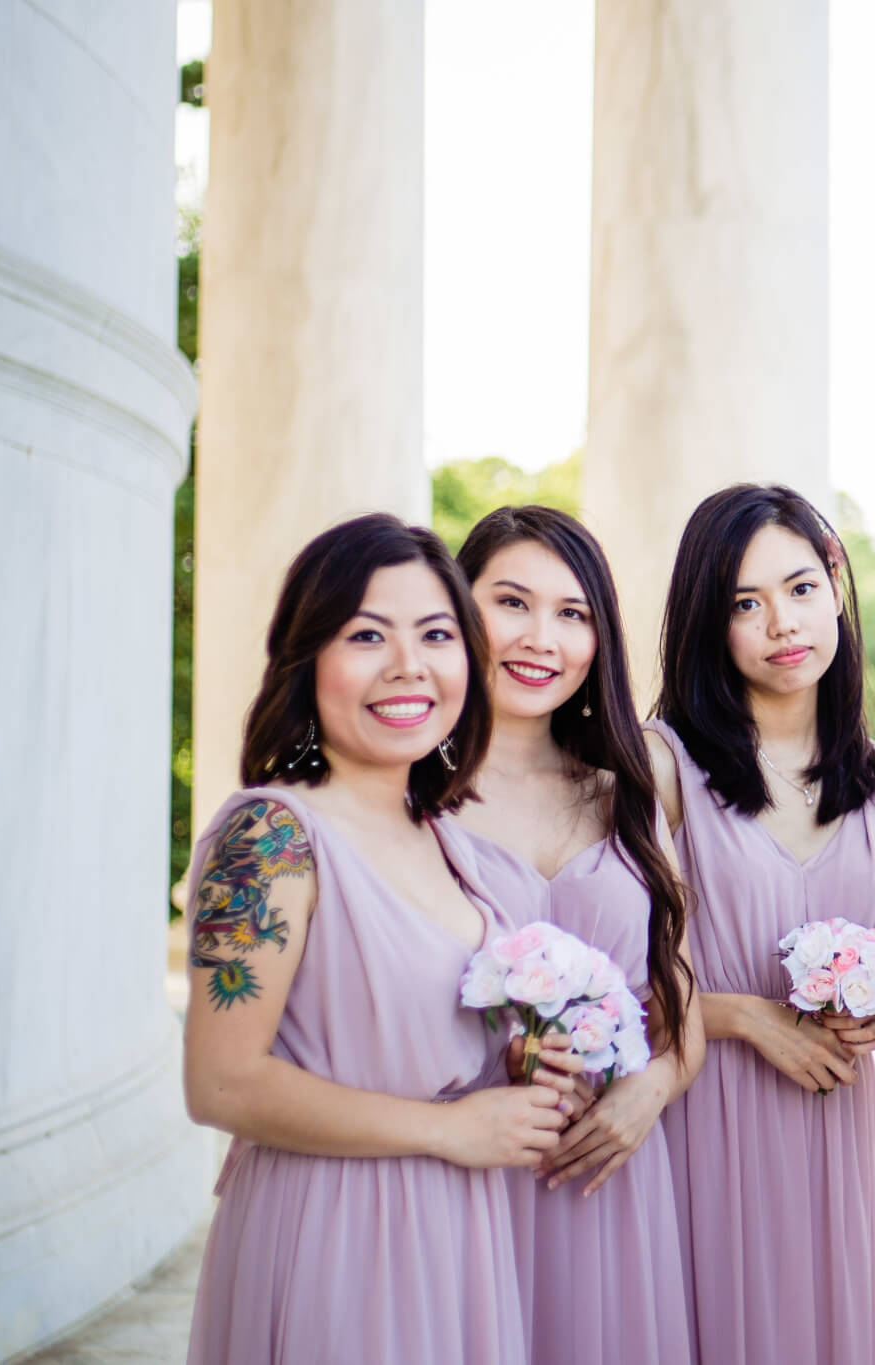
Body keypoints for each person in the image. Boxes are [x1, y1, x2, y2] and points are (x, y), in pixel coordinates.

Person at [182, 514, 574, 1364]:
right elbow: (219, 1082)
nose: (409, 664)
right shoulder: (270, 837)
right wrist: (448, 1128)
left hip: (463, 1236)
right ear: (307, 656)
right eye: (367, 634)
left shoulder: (462, 851)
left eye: (437, 634)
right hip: (333, 1231)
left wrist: (521, 1067)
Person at [645, 483, 875, 1365]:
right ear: (708, 624)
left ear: (836, 582)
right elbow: (617, 978)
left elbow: (872, 956)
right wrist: (744, 1014)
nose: (782, 624)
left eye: (800, 588)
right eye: (744, 604)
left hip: (833, 1129)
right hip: (704, 1121)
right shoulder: (662, 765)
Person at [452, 505, 700, 1364]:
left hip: (609, 1174)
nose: (541, 637)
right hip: (464, 1167)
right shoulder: (412, 795)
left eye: (573, 613)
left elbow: (679, 1000)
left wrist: (655, 1086)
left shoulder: (624, 792)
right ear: (456, 606)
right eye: (512, 602)